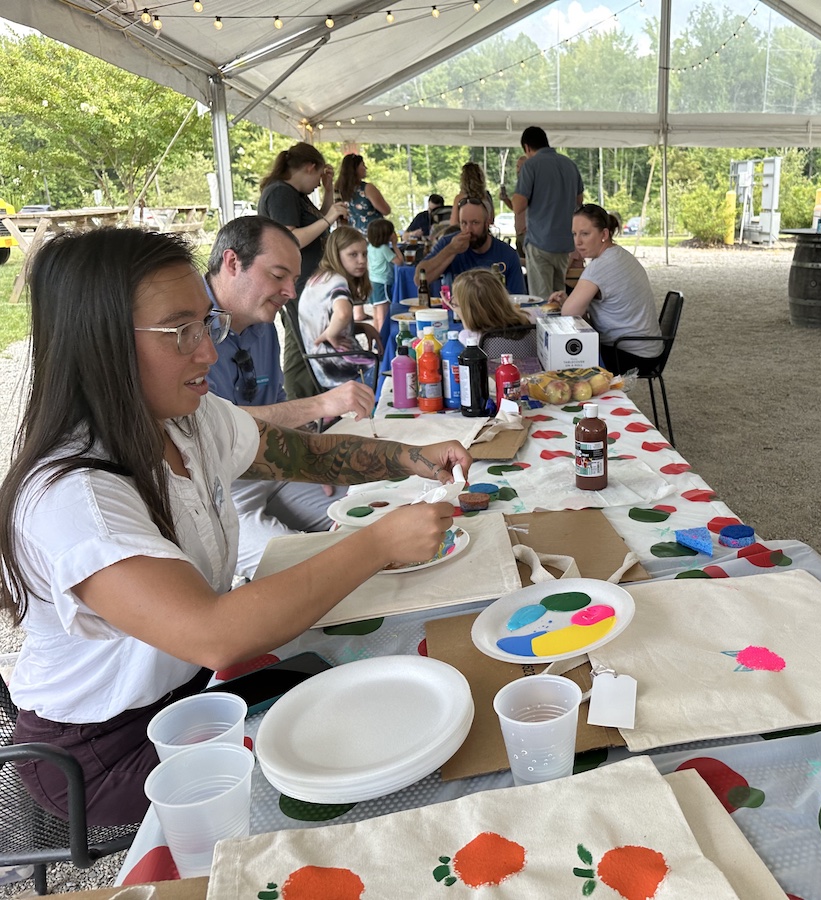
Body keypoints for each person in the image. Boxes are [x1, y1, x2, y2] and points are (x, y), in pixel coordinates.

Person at [0, 227, 469, 825]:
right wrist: (377, 542)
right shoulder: (73, 496)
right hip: (101, 751)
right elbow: (215, 633)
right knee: (337, 765)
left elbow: (300, 454)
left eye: (207, 325)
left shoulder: (182, 421)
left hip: (190, 693)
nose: (209, 354)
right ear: (102, 344)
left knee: (367, 682)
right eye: (181, 332)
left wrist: (410, 458)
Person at [204, 217, 376, 581]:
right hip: (217, 493)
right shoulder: (190, 329)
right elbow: (213, 427)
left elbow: (277, 404)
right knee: (312, 573)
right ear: (232, 263)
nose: (291, 292)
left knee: (372, 511)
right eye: (279, 275)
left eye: (294, 280)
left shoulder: (263, 322)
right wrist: (321, 404)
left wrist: (306, 452)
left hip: (271, 466)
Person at [258, 141, 348, 400]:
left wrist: (329, 193)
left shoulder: (295, 194)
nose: (318, 184)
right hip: (299, 285)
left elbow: (316, 222)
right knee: (310, 343)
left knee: (301, 346)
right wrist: (329, 217)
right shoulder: (281, 193)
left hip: (310, 283)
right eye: (319, 177)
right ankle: (312, 400)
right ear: (310, 168)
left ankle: (302, 398)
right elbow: (292, 239)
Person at [548, 203, 661, 374]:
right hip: (650, 349)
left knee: (563, 354)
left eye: (585, 234)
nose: (578, 242)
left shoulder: (600, 266)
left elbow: (568, 315)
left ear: (604, 234)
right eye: (574, 234)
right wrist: (571, 303)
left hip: (629, 354)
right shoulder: (619, 254)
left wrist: (568, 305)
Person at [298, 227, 377, 390]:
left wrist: (362, 326)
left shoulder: (320, 278)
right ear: (336, 254)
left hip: (322, 366)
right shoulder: (338, 281)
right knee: (393, 374)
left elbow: (329, 320)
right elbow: (342, 314)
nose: (361, 260)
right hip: (339, 369)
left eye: (364, 254)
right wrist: (330, 335)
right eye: (353, 254)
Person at [510, 126, 584, 299]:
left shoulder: (531, 165)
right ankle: (561, 325)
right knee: (559, 296)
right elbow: (579, 202)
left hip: (540, 242)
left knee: (541, 301)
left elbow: (518, 206)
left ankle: (544, 326)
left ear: (527, 147)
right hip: (565, 242)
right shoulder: (570, 164)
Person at [416, 197, 525, 294]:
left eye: (475, 223)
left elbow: (518, 300)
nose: (469, 229)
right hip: (455, 313)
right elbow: (419, 280)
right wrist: (450, 250)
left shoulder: (507, 254)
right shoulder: (449, 243)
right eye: (464, 223)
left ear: (487, 223)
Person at [451, 268, 535, 346]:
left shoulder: (468, 337)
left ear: (467, 309)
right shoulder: (529, 321)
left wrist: (462, 316)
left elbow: (469, 329)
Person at [335, 153, 391, 234]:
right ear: (355, 168)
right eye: (363, 165)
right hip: (374, 236)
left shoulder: (339, 189)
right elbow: (386, 210)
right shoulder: (367, 188)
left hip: (354, 236)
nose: (365, 168)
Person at [366, 218, 403, 334]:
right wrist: (395, 245)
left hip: (372, 282)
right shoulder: (384, 249)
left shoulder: (370, 247)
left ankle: (377, 340)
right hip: (382, 284)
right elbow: (399, 261)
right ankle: (383, 341)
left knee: (376, 315)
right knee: (383, 315)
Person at [498, 153, 529, 255]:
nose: (518, 169)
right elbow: (516, 208)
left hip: (527, 232)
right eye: (517, 166)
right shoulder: (520, 185)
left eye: (522, 166)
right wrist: (506, 199)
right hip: (519, 232)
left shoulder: (531, 185)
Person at [448, 161, 494, 228]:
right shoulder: (487, 196)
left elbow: (454, 223)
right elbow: (491, 220)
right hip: (483, 233)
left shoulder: (459, 198)